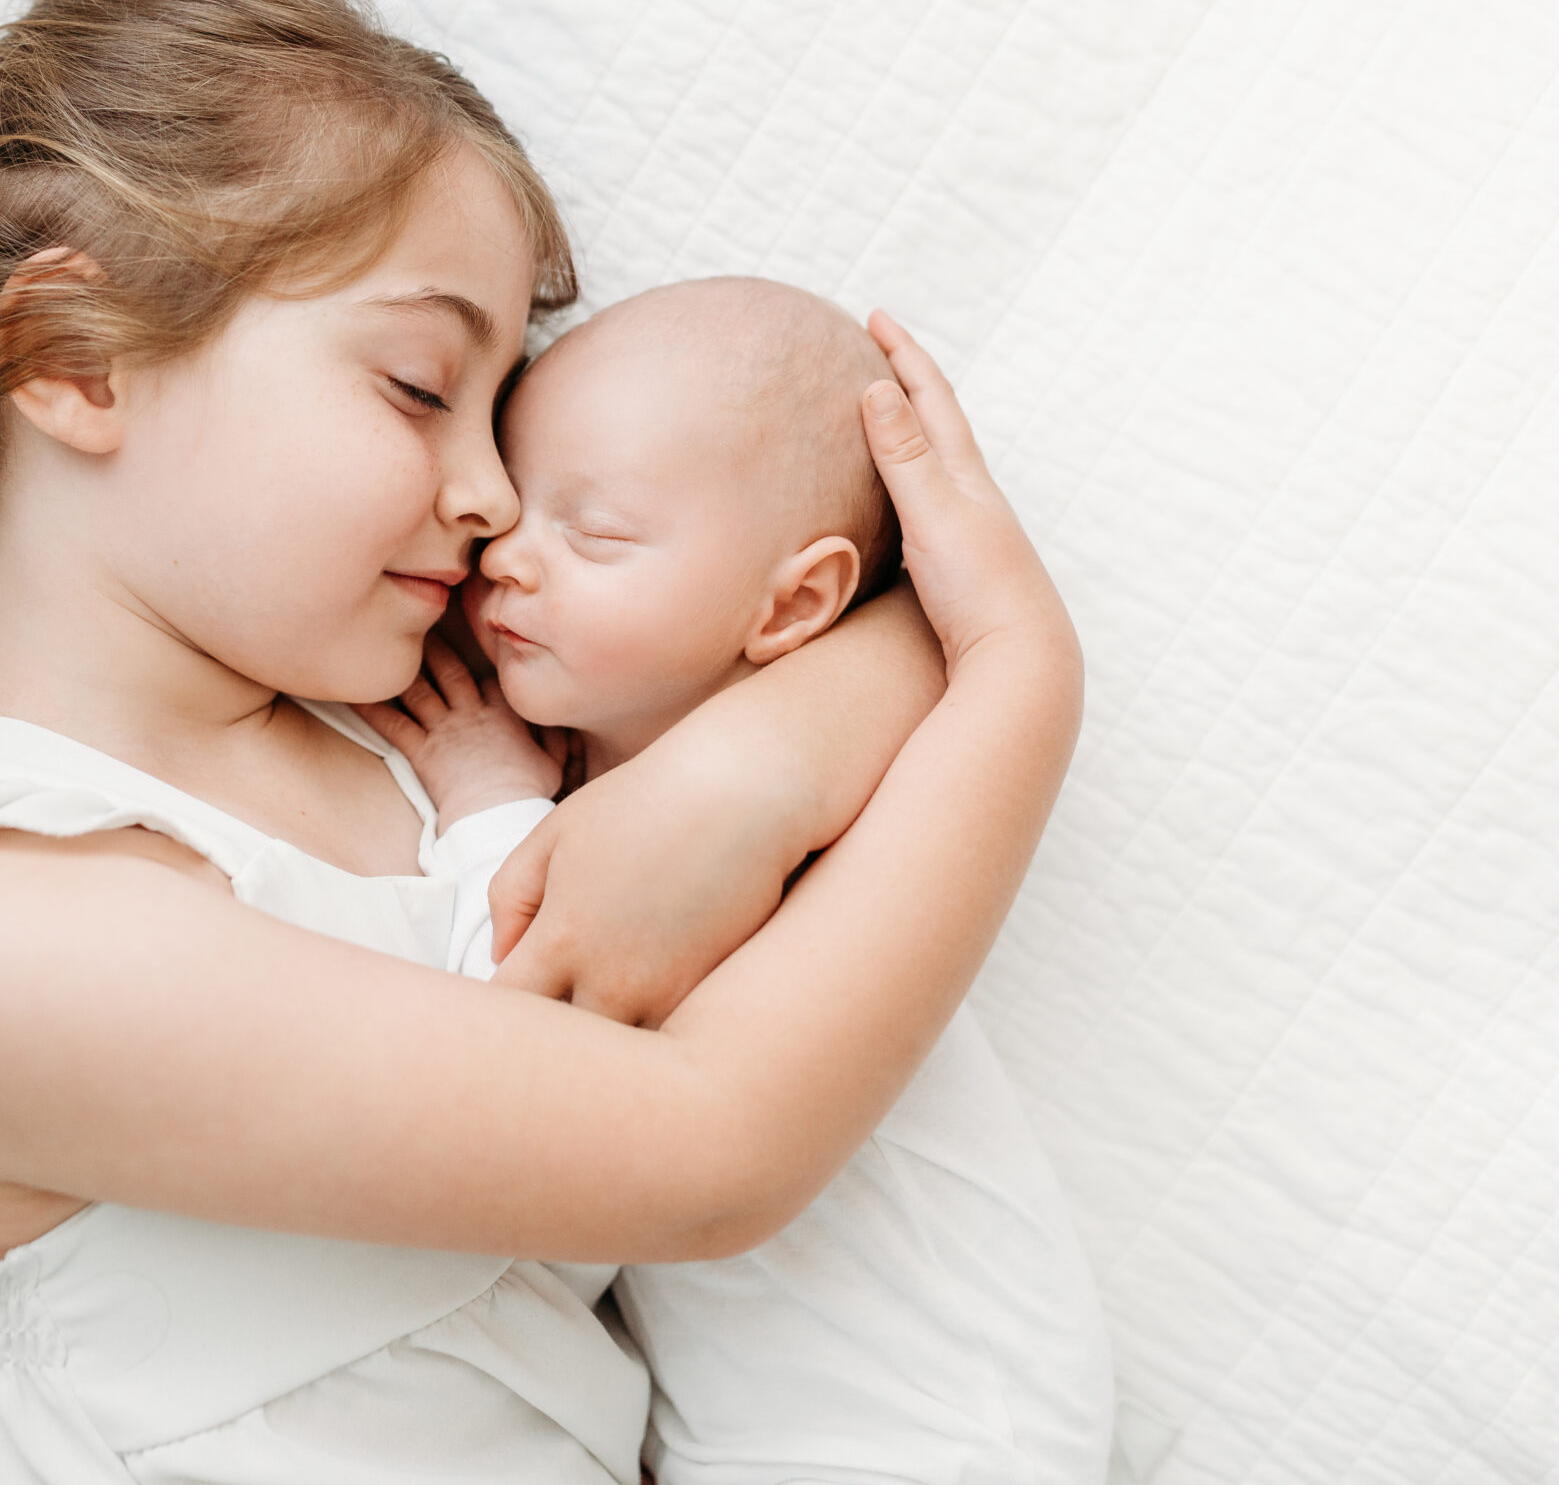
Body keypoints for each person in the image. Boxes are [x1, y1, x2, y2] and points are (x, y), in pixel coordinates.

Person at [0, 0, 1084, 1483]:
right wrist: (1017, 671)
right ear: (76, 358)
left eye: (503, 416)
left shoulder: (426, 722)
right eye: (420, 387)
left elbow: (765, 623)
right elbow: (712, 1151)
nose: (489, 500)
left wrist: (748, 757)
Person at [368, 277, 1112, 1484]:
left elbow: (527, 1020)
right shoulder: (657, 770)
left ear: (796, 603)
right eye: (513, 508)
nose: (508, 555)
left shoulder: (814, 829)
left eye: (593, 532)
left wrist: (485, 804)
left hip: (934, 1439)